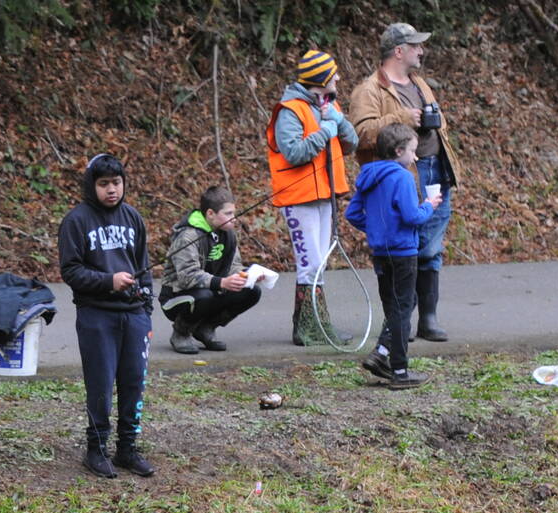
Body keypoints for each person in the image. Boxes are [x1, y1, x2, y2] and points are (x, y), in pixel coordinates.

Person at [349, 22, 458, 343]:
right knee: (406, 249)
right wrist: (400, 118)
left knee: (432, 247)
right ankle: (400, 322)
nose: (421, 51)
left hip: (436, 170)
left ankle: (428, 319)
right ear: (399, 51)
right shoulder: (368, 91)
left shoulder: (420, 84)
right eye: (416, 46)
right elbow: (360, 134)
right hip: (403, 178)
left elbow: (438, 123)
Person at [58, 152, 155, 479]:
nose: (111, 190)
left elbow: (144, 268)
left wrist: (147, 310)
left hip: (134, 316)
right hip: (96, 315)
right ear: (92, 185)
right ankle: (96, 449)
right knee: (100, 385)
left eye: (116, 183)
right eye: (103, 184)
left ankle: (128, 448)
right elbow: (70, 271)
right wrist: (107, 282)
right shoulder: (77, 220)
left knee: (133, 383)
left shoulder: (133, 218)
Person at [265, 50, 358, 347]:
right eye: (334, 74)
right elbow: (293, 152)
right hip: (298, 197)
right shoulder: (290, 110)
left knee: (318, 264)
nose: (339, 78)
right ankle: (307, 329)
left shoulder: (329, 105)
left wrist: (339, 122)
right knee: (310, 263)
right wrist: (324, 130)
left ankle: (316, 325)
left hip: (323, 196)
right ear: (321, 80)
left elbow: (352, 143)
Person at [345, 123, 434, 390]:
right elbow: (412, 216)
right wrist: (430, 205)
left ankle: (383, 355)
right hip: (403, 252)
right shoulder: (403, 177)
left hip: (381, 253)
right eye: (412, 151)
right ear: (398, 151)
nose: (415, 157)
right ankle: (400, 371)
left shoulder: (369, 176)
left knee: (396, 305)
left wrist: (376, 228)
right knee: (402, 310)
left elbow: (353, 213)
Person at [158, 186, 261, 356]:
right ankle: (181, 332)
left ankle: (206, 328)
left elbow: (232, 267)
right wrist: (222, 282)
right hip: (176, 297)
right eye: (228, 214)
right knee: (205, 295)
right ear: (210, 214)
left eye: (234, 213)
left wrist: (249, 274)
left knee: (251, 291)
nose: (234, 219)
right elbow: (187, 277)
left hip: (211, 290)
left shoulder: (228, 234)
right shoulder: (188, 236)